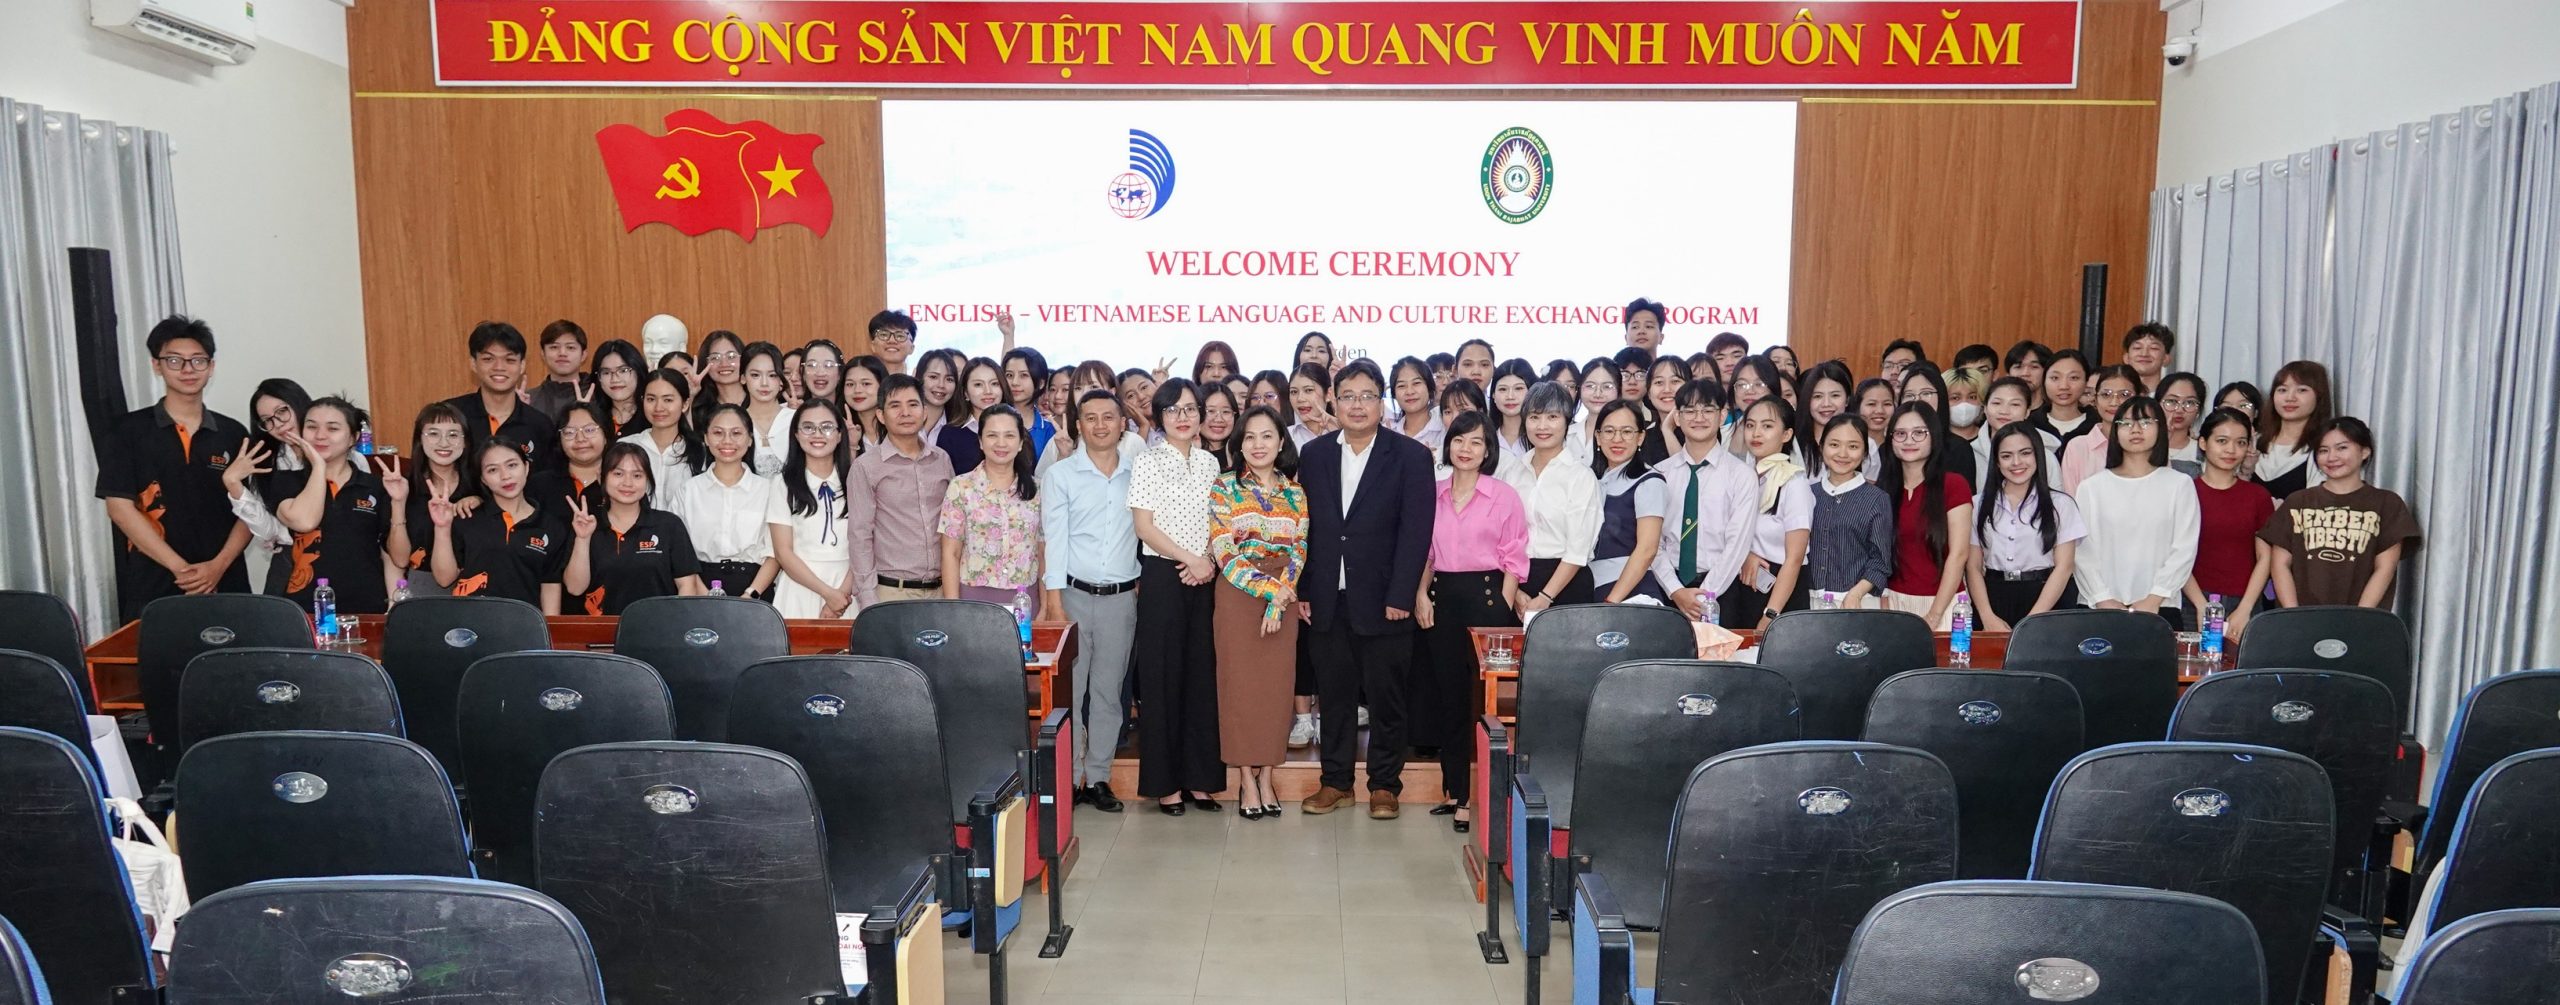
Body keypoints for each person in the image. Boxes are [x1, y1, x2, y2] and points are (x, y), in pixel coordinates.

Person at [1297, 360, 1436, 819]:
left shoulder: (1410, 456)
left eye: (1368, 396)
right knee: (1334, 697)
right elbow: (1306, 529)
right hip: (1327, 597)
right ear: (1333, 401)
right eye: (1348, 396)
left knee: (1386, 699)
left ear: (1382, 403)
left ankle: (1385, 785)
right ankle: (1335, 783)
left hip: (1384, 600)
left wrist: (1401, 595)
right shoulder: (1314, 454)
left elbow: (1416, 532)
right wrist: (1304, 589)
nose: (1357, 405)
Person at [1411, 412, 1525, 831]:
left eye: (1477, 442)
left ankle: (1480, 796)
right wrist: (1421, 595)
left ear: (1488, 450)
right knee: (1449, 698)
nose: (1466, 448)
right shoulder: (1433, 493)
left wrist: (1501, 609)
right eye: (1459, 439)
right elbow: (1425, 554)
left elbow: (1514, 557)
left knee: (1484, 702)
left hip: (1488, 599)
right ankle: (1455, 789)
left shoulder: (1503, 495)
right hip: (1441, 599)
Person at [98, 316, 253, 620]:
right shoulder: (127, 431)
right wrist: (183, 570)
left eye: (198, 360)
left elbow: (251, 511)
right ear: (156, 365)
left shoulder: (233, 433)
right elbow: (119, 508)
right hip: (153, 584)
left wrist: (217, 567)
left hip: (226, 582)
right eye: (174, 360)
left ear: (211, 366)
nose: (187, 369)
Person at [1127, 378, 1226, 814]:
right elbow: (1144, 527)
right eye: (1173, 410)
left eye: (1190, 408)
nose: (1183, 417)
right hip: (1164, 577)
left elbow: (1219, 521)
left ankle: (1201, 780)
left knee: (1201, 677)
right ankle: (1165, 785)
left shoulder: (1209, 463)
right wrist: (1190, 559)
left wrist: (1207, 560)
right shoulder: (1148, 461)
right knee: (1163, 679)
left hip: (1205, 575)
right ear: (1160, 417)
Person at [1041, 390, 1143, 812]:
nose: (1100, 425)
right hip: (1073, 596)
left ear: (1123, 424)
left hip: (1121, 598)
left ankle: (1098, 777)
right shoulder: (1060, 475)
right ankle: (1069, 778)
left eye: (1109, 417)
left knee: (1107, 691)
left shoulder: (1139, 473)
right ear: (1078, 424)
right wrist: (1054, 602)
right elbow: (1054, 540)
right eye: (1091, 417)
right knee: (1070, 692)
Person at [1208, 406, 1308, 822]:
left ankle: (1268, 777)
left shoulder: (1295, 492)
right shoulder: (1224, 486)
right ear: (1240, 443)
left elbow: (1299, 549)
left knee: (1275, 691)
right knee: (1239, 690)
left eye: (1267, 436)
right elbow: (1224, 551)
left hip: (1282, 597)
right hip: (1237, 594)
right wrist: (1272, 594)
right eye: (1250, 436)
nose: (1258, 444)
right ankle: (1246, 779)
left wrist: (1280, 600)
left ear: (1281, 441)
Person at [2259, 417, 2421, 609]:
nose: (2332, 457)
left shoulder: (2387, 503)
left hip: (2362, 618)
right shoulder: (2298, 501)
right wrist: (2293, 615)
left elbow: (2385, 568)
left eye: (2342, 448)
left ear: (2365, 451)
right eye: (2323, 450)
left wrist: (2359, 617)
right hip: (2301, 618)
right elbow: (2280, 564)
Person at [2071, 396, 2199, 628]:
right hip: (2098, 607)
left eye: (2146, 422)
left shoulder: (2179, 484)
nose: (2136, 430)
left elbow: (2184, 549)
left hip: (2161, 606)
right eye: (2126, 423)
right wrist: (2102, 598)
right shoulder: (2091, 487)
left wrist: (2155, 597)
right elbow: (2082, 551)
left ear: (2161, 429)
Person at [273, 397, 395, 614]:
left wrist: (395, 604)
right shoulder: (287, 481)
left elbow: (389, 553)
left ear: (353, 438)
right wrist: (319, 467)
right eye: (312, 427)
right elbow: (305, 521)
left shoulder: (376, 486)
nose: (320, 435)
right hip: (304, 607)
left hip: (367, 604)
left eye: (333, 428)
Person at [847, 375, 956, 609]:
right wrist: (868, 599)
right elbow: (859, 536)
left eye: (913, 404)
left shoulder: (942, 459)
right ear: (880, 415)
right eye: (895, 406)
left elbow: (954, 526)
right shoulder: (866, 466)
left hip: (941, 591)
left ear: (924, 411)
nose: (905, 413)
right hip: (891, 593)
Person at [1648, 380, 1754, 616]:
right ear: (1677, 417)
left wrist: (1705, 598)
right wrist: (1676, 591)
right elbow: (1652, 542)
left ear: (1722, 415)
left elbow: (1737, 545)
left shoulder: (1741, 475)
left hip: (1722, 590)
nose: (1699, 418)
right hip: (1668, 588)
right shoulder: (1659, 474)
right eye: (1690, 411)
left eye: (1707, 410)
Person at [425, 437, 568, 610]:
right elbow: (444, 579)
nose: (505, 476)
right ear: (483, 479)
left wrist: (549, 626)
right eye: (492, 470)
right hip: (470, 621)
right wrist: (442, 527)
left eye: (512, 465)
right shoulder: (467, 517)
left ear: (526, 467)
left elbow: (550, 585)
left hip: (524, 623)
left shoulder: (551, 526)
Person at [1966, 423, 2085, 630]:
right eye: (2006, 456)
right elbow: (1973, 567)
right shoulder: (1978, 504)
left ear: (2038, 455)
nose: (2016, 462)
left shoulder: (2061, 504)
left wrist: (2032, 620)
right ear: (1996, 462)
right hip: (1993, 598)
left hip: (2047, 598)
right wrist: (1987, 616)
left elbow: (2064, 567)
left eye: (2025, 453)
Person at [561, 443, 705, 614]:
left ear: (647, 480)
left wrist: (672, 625)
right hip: (602, 628)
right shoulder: (587, 524)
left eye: (637, 475)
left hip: (657, 627)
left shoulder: (669, 525)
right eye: (618, 474)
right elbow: (575, 588)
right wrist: (583, 539)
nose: (627, 483)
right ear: (601, 477)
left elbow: (687, 586)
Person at [1501, 381, 1602, 615]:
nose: (1542, 426)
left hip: (1567, 583)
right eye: (1534, 417)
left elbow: (1578, 549)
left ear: (1567, 421)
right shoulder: (1513, 472)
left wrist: (1545, 597)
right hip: (1515, 582)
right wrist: (1515, 592)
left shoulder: (1580, 476)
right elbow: (1500, 537)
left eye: (1552, 417)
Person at [937, 405, 1043, 606]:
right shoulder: (961, 487)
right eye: (992, 435)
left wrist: (1045, 606)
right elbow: (951, 553)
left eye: (1009, 436)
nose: (1001, 443)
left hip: (1025, 599)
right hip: (973, 599)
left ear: (1021, 442)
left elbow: (1043, 551)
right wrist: (952, 607)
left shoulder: (1038, 490)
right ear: (980, 441)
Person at [1881, 402, 1974, 628]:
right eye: (1900, 434)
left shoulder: (1953, 485)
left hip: (1946, 605)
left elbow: (1959, 554)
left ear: (1934, 436)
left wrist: (1934, 615)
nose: (1909, 440)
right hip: (1894, 604)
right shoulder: (1883, 489)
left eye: (1919, 433)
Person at [2187, 408, 2274, 638]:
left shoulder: (2257, 496)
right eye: (2222, 441)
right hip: (2191, 601)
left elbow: (2265, 557)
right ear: (2203, 443)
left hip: (2245, 603)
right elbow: (2176, 554)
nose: (2231, 450)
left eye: (2241, 442)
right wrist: (2201, 605)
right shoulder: (2185, 492)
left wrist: (2245, 608)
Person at [765, 399, 854, 618]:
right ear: (796, 434)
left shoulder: (856, 480)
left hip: (849, 588)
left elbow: (867, 547)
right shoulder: (783, 484)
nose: (817, 434)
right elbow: (783, 552)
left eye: (827, 427)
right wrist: (828, 594)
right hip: (799, 586)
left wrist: (841, 595)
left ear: (840, 434)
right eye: (808, 427)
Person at [1729, 397, 1813, 628]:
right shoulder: (1742, 477)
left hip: (1782, 590)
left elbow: (1794, 558)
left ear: (1786, 435)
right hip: (1744, 583)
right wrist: (1745, 554)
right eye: (1750, 425)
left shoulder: (1793, 483)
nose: (1756, 433)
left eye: (1767, 426)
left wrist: (1771, 614)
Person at [680, 404, 779, 600]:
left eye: (736, 433)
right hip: (700, 587)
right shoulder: (688, 490)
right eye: (718, 433)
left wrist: (751, 595)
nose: (727, 441)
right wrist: (705, 595)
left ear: (750, 439)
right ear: (706, 438)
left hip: (755, 588)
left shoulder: (768, 490)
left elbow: (776, 552)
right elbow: (680, 553)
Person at [443, 321, 562, 473]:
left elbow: (547, 482)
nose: (499, 367)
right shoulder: (450, 416)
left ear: (522, 366)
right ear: (473, 363)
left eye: (509, 360)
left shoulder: (540, 425)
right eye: (488, 359)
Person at [383, 402, 472, 592]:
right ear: (419, 440)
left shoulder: (479, 486)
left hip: (475, 589)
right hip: (420, 589)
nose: (444, 443)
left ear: (465, 441)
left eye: (453, 434)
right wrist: (398, 502)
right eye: (433, 434)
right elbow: (400, 560)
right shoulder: (403, 486)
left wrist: (478, 499)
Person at [1806, 416, 1893, 609]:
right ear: (1821, 447)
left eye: (1853, 446)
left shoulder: (1876, 498)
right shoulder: (1808, 493)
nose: (1843, 454)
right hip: (1809, 601)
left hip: (1858, 602)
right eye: (1834, 445)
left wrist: (1856, 593)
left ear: (1865, 452)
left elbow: (1880, 561)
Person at [1591, 401, 1673, 605]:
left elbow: (1647, 550)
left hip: (1630, 592)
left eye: (1627, 431)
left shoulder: (1649, 482)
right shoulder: (1593, 479)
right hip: (1593, 588)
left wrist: (1612, 602)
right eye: (1609, 431)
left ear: (1641, 437)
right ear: (1598, 437)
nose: (1617, 439)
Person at [2058, 365, 2146, 493]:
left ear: (2139, 398)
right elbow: (2070, 500)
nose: (2114, 402)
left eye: (2124, 395)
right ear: (2095, 400)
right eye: (2106, 394)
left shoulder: (2148, 444)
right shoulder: (2078, 447)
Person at [617, 369, 696, 511]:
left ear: (685, 404)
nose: (658, 407)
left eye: (668, 400)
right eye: (651, 399)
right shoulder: (626, 446)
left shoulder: (699, 450)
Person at [2255, 360, 2333, 500]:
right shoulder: (2254, 442)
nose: (2290, 398)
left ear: (2319, 396)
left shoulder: (2324, 449)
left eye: (2302, 390)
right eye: (2282, 390)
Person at [529, 401, 612, 522]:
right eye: (569, 432)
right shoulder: (539, 485)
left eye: (589, 430)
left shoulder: (622, 483)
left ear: (605, 436)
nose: (580, 439)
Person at [1979, 377, 2062, 487]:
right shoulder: (1970, 452)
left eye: (2015, 404)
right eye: (1997, 403)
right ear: (1985, 408)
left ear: (2027, 412)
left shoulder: (2046, 456)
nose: (2004, 411)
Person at [936, 356, 1005, 475]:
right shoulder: (949, 434)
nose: (988, 391)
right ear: (966, 393)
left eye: (994, 384)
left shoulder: (1017, 430)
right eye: (978, 384)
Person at [735, 342, 791, 476]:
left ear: (781, 380)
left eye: (772, 375)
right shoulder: (735, 421)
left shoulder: (796, 419)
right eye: (755, 375)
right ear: (743, 378)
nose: (764, 383)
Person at [2032, 349, 2097, 451]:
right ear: (2044, 381)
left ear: (2086, 382)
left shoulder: (2098, 426)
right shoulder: (2030, 425)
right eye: (2055, 378)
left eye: (2073, 378)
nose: (2063, 386)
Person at [526, 320, 591, 420]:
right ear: (543, 354)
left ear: (583, 355)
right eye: (554, 347)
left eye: (570, 347)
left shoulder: (600, 397)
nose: (562, 353)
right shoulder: (528, 400)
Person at [1002, 347, 1058, 458]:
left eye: (1024, 375)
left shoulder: (1049, 430)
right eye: (1009, 375)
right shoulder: (989, 420)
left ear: (1041, 383)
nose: (1015, 382)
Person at [588, 339, 648, 438]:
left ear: (638, 371)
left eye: (623, 370)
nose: (614, 379)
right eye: (606, 372)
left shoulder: (651, 415)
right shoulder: (594, 416)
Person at [2155, 372, 2209, 476]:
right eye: (2172, 401)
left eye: (2189, 402)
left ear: (2198, 411)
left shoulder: (2205, 452)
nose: (2179, 410)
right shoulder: (2143, 446)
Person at [1388, 356, 1443, 450]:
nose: (1409, 392)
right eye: (1401, 386)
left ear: (1429, 387)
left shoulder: (1444, 427)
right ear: (1394, 394)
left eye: (1416, 383)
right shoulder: (1388, 434)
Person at [1488, 359, 1536, 462]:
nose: (1510, 396)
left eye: (1518, 388)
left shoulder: (1541, 436)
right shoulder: (1485, 438)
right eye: (1503, 389)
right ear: (1493, 395)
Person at [1853, 376, 1896, 481]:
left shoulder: (1899, 447)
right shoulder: (1848, 446)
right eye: (1871, 404)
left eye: (1887, 404)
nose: (1879, 410)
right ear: (1858, 407)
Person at [693, 330, 747, 408]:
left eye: (731, 356)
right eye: (715, 358)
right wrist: (691, 395)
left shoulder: (758, 400)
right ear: (705, 363)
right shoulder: (700, 409)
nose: (724, 364)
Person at [1198, 382, 1243, 473]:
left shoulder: (1244, 453)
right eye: (1211, 411)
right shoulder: (1183, 454)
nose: (1219, 419)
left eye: (1226, 412)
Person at [1287, 362, 1334, 446]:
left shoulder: (1345, 434)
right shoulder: (1284, 436)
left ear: (1328, 394)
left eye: (1308, 390)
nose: (1300, 399)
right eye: (1294, 392)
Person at [2122, 322, 2174, 387]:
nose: (2144, 354)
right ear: (2126, 358)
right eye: (2137, 348)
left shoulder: (2173, 393)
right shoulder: (2115, 392)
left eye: (2153, 348)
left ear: (2166, 359)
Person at [867, 309, 917, 375]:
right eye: (884, 335)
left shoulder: (920, 380)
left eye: (900, 336)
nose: (892, 341)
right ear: (873, 346)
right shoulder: (860, 379)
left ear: (911, 348)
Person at [2004, 340, 2053, 405]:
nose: (2025, 373)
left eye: (2034, 367)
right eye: (2018, 367)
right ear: (2008, 374)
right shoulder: (1998, 410)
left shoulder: (2054, 410)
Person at [1117, 368, 1160, 442]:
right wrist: (1143, 427)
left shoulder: (1174, 414)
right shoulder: (1123, 434)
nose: (1141, 397)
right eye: (1131, 396)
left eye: (1144, 387)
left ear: (1155, 384)